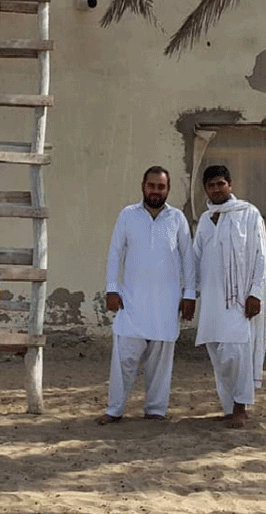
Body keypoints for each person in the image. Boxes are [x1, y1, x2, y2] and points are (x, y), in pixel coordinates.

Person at [97, 165, 196, 425]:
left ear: (168, 189)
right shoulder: (128, 215)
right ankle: (115, 409)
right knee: (123, 359)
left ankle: (156, 409)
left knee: (161, 362)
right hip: (131, 301)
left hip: (167, 302)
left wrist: (190, 295)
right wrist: (111, 289)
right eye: (151, 186)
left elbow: (188, 258)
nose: (156, 191)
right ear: (143, 186)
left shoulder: (177, 219)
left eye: (161, 186)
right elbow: (115, 253)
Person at [193, 165, 266, 429]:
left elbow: (260, 255)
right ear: (205, 189)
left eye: (221, 184)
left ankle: (241, 406)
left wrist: (255, 293)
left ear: (230, 185)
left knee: (236, 351)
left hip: (238, 299)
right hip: (212, 300)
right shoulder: (204, 219)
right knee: (217, 353)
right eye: (211, 185)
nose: (217, 189)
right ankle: (228, 407)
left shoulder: (248, 214)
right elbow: (195, 258)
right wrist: (189, 294)